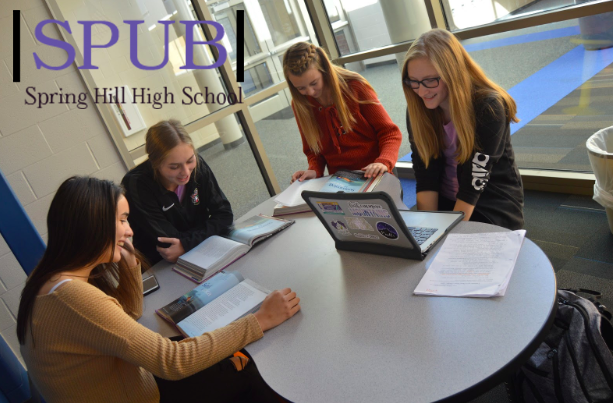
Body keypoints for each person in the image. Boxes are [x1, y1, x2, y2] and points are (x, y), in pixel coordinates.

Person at [17, 176, 301, 403]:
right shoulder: (72, 296)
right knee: (247, 367)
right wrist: (261, 319)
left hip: (134, 385)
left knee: (208, 346)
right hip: (145, 394)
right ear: (91, 225)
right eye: (121, 220)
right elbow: (171, 362)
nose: (129, 231)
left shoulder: (48, 281)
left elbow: (127, 320)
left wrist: (129, 267)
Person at [402, 29, 524, 230]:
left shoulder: (488, 106)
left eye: (431, 80)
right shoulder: (419, 108)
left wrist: (446, 234)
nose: (422, 91)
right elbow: (425, 174)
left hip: (489, 201)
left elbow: (474, 182)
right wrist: (428, 228)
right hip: (446, 199)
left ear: (452, 73)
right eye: (413, 82)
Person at [283, 42, 403, 183]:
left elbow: (390, 132)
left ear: (325, 70)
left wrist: (383, 161)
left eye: (314, 83)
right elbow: (313, 150)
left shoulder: (355, 87)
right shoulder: (300, 105)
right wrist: (313, 170)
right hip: (340, 181)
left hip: (375, 174)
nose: (309, 92)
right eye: (301, 88)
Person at [122, 120, 233, 265]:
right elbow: (168, 242)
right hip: (160, 263)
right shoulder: (136, 184)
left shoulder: (197, 165)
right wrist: (210, 228)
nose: (186, 172)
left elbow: (224, 214)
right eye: (174, 167)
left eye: (190, 160)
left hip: (205, 249)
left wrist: (186, 244)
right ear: (155, 164)